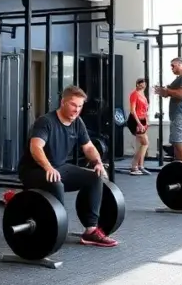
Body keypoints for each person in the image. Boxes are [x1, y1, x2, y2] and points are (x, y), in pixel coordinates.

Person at [18, 85, 118, 248]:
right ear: (63, 102)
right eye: (73, 105)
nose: (76, 110)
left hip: (60, 167)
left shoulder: (77, 122)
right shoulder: (46, 121)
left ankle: (91, 230)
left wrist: (98, 162)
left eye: (80, 106)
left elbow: (88, 147)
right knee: (56, 183)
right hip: (33, 170)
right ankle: (55, 228)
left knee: (94, 177)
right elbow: (35, 147)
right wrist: (48, 167)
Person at [153, 58, 182, 164]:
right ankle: (179, 166)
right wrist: (163, 91)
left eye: (173, 65)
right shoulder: (179, 79)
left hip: (181, 114)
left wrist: (167, 91)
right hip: (176, 115)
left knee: (178, 142)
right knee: (176, 142)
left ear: (180, 65)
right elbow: (170, 93)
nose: (171, 68)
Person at [127, 78, 150, 175]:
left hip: (142, 120)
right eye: (141, 84)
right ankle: (135, 166)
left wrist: (146, 122)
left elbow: (145, 110)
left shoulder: (143, 95)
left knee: (142, 144)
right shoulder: (134, 94)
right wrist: (139, 123)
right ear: (137, 84)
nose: (143, 86)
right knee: (145, 143)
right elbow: (133, 111)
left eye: (144, 84)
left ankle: (140, 166)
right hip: (135, 120)